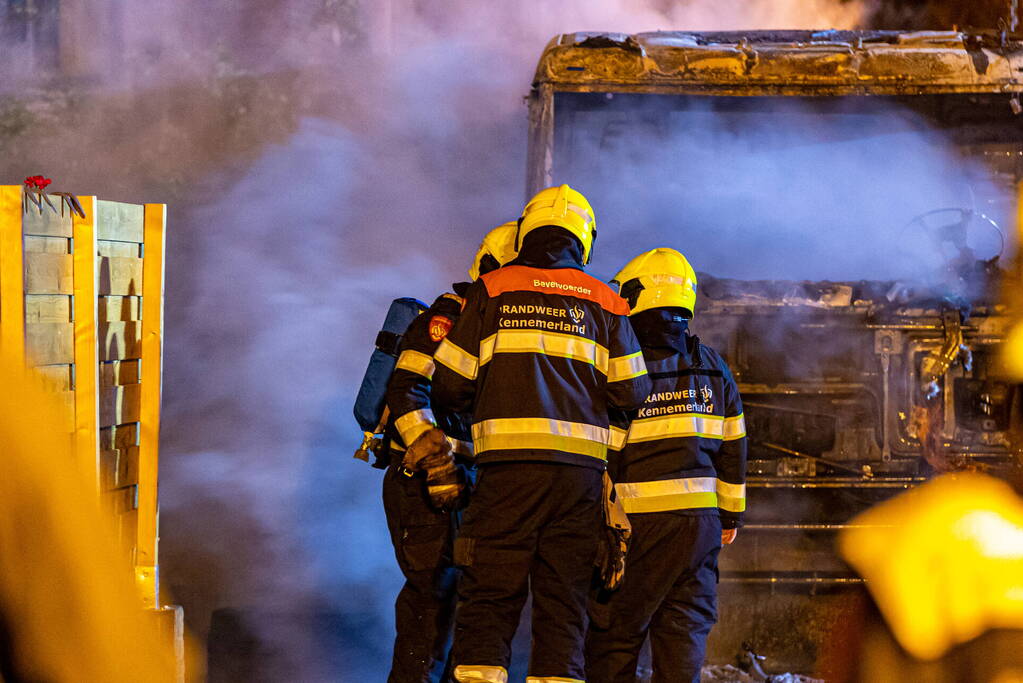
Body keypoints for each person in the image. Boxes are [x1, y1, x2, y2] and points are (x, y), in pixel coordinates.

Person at [432, 184, 652, 683]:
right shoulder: (607, 302)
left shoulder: (492, 290)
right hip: (576, 482)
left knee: (489, 596)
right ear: (584, 239)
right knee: (563, 604)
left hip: (505, 475)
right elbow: (632, 393)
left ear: (528, 231)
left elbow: (448, 385)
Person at [585, 248, 747, 683]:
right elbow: (734, 446)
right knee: (683, 638)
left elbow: (603, 446)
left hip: (634, 528)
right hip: (699, 529)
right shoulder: (713, 366)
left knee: (615, 637)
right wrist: (730, 515)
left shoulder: (619, 364)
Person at [382, 222, 519, 683]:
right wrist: (437, 461)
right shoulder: (449, 316)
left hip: (472, 485)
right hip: (425, 484)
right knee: (431, 597)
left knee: (468, 603)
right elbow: (406, 390)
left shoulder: (500, 325)